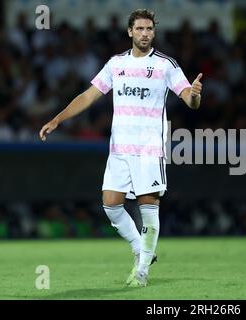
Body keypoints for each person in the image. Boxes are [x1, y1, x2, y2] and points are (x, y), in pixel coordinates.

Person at [39, 9, 203, 287]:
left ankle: (142, 272)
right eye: (139, 29)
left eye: (149, 29)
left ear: (154, 32)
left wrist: (196, 96)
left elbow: (189, 98)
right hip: (119, 149)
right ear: (130, 32)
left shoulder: (166, 65)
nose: (145, 34)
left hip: (149, 148)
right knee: (111, 205)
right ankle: (142, 250)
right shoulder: (116, 64)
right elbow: (88, 95)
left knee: (148, 207)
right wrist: (57, 119)